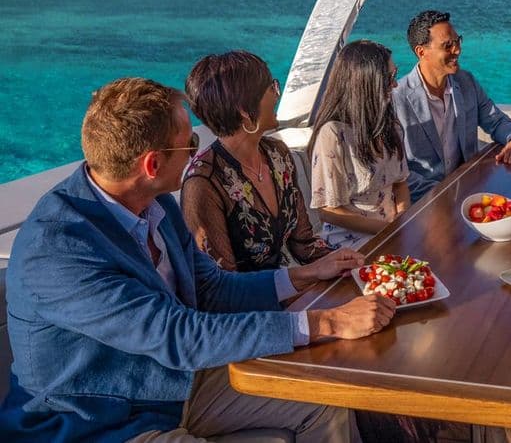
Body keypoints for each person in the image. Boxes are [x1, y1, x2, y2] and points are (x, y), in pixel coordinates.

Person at [0, 77, 395, 442]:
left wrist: (303, 275)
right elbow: (177, 335)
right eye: (189, 143)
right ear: (152, 165)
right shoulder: (57, 250)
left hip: (175, 386)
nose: (197, 151)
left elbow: (212, 287)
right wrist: (326, 321)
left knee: (324, 399)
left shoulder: (156, 207)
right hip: (96, 421)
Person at [181, 50, 350, 272]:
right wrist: (302, 282)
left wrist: (349, 264)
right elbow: (220, 285)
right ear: (244, 111)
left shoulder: (277, 156)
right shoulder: (203, 184)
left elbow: (304, 244)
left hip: (294, 287)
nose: (277, 95)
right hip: (255, 303)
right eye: (272, 88)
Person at [393, 10, 511, 202]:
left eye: (457, 41)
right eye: (448, 45)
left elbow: (496, 121)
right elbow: (398, 172)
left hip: (469, 192)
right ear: (421, 52)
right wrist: (445, 193)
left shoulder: (466, 82)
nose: (457, 50)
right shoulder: (397, 99)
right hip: (424, 205)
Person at [308, 40, 410, 250]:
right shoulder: (334, 134)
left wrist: (402, 221)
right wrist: (386, 230)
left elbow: (400, 184)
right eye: (389, 78)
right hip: (349, 245)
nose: (395, 84)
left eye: (395, 74)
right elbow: (328, 209)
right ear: (366, 82)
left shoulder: (390, 126)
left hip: (390, 234)